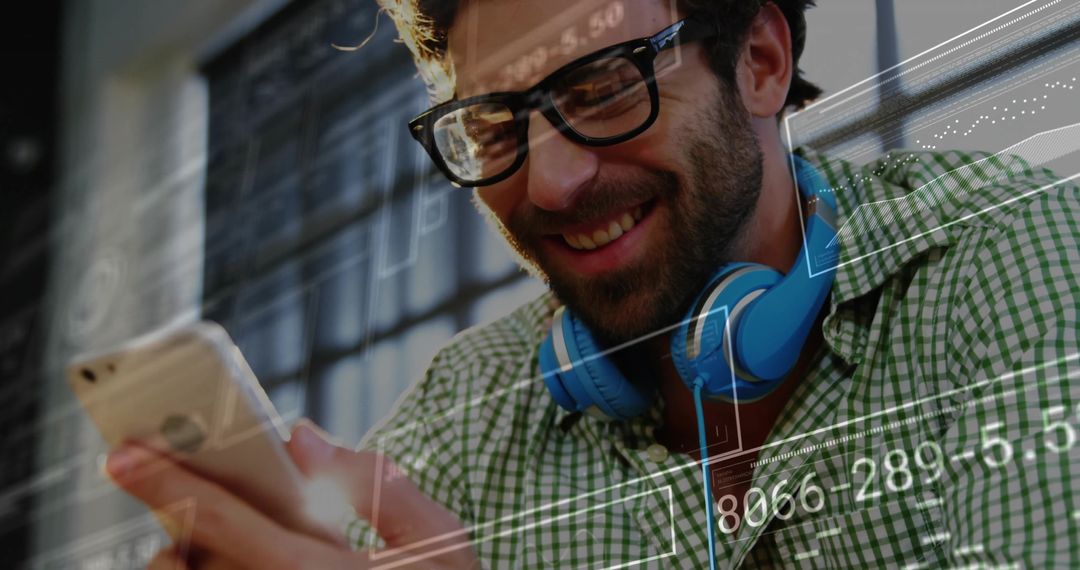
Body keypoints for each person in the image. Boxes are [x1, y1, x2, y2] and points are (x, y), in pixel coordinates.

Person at [110, 0, 1080, 568]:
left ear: (760, 62)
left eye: (607, 85)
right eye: (494, 126)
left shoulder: (1005, 252)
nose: (551, 179)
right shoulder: (465, 415)